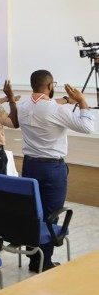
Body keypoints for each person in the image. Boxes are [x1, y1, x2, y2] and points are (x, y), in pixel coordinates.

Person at [17, 70, 94, 272]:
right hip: (52, 169)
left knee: (33, 212)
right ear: (50, 86)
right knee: (51, 213)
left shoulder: (22, 104)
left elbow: (44, 105)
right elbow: (87, 126)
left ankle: (34, 259)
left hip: (29, 165)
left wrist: (66, 100)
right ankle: (45, 263)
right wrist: (82, 101)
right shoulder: (56, 110)